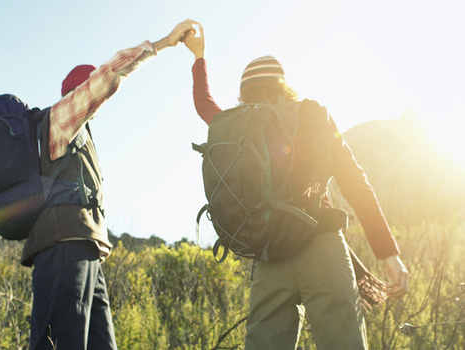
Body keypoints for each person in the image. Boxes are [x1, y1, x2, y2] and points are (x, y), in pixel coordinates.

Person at [183, 24, 409, 350]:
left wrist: (199, 57)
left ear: (246, 93)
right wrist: (389, 255)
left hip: (268, 255)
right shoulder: (313, 115)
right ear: (283, 85)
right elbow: (355, 183)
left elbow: (203, 102)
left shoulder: (235, 126)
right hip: (322, 248)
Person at [21, 20, 198, 350]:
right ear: (80, 91)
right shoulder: (61, 117)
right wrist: (163, 43)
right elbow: (109, 75)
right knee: (63, 342)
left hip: (85, 251)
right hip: (63, 249)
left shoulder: (79, 136)